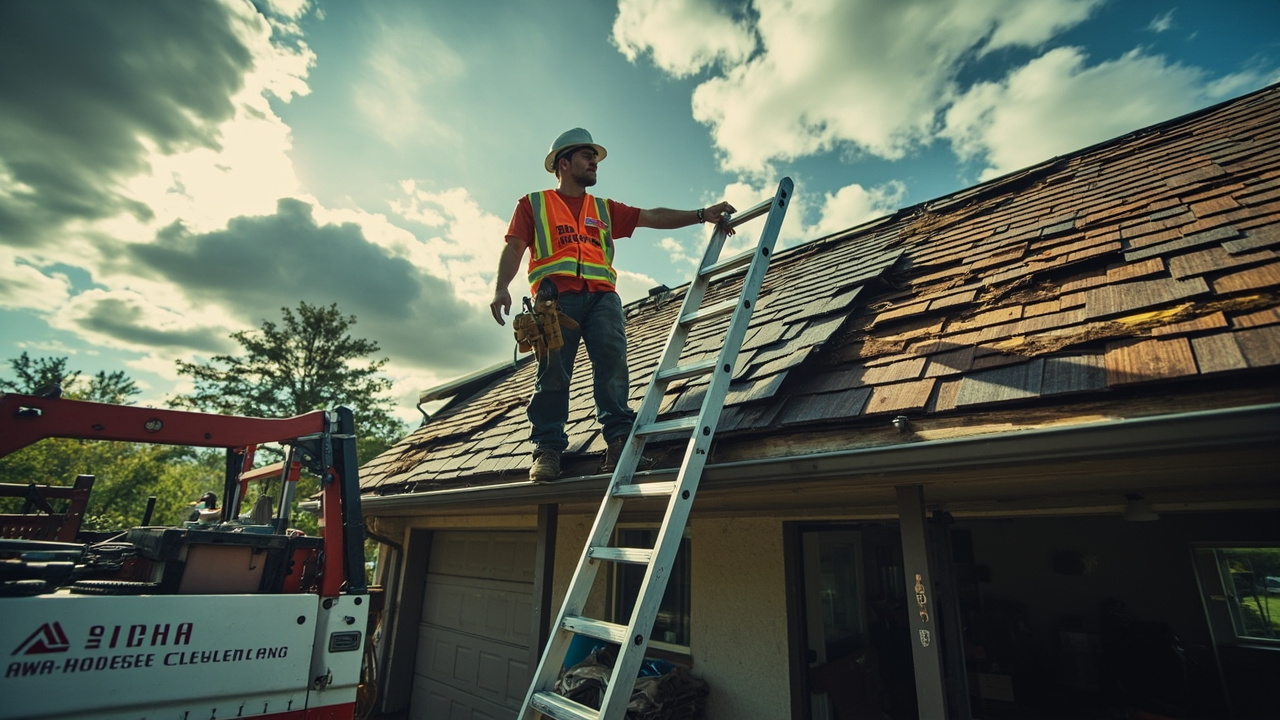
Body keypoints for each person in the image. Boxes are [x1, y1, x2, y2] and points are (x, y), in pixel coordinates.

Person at [490, 128, 735, 482]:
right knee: (553, 374)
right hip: (554, 301)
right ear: (564, 163)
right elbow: (514, 247)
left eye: (595, 158)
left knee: (612, 364)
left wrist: (701, 214)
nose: (594, 163)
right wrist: (501, 288)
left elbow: (651, 216)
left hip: (603, 296)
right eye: (587, 157)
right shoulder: (533, 204)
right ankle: (547, 449)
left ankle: (619, 440)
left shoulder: (603, 209)